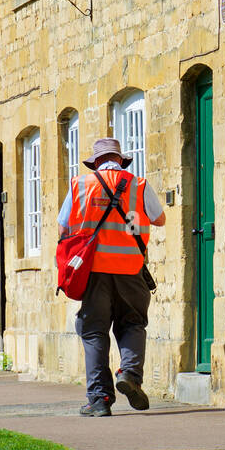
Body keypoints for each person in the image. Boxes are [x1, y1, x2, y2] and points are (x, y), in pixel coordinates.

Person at [58, 138, 166, 416]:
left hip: (93, 271)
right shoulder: (138, 185)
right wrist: (129, 218)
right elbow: (159, 219)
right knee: (132, 323)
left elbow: (62, 227)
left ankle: (99, 400)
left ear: (96, 163)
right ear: (120, 160)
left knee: (93, 331)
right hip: (131, 270)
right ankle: (129, 374)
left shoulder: (80, 185)